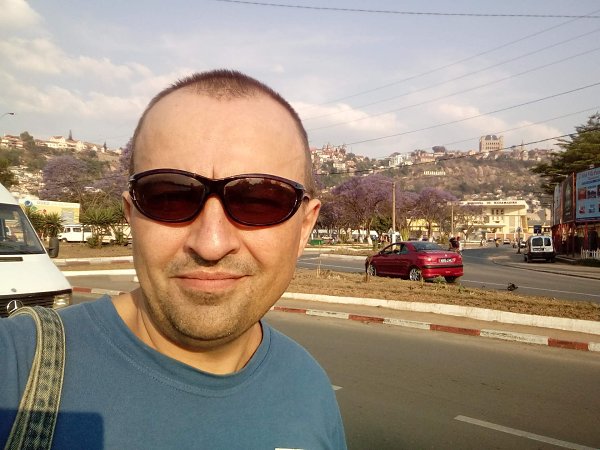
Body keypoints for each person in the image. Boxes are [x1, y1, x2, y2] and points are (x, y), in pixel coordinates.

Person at [0, 70, 347, 449]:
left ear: (304, 227)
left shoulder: (310, 389)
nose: (211, 244)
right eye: (169, 197)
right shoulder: (17, 366)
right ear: (132, 215)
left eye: (259, 201)